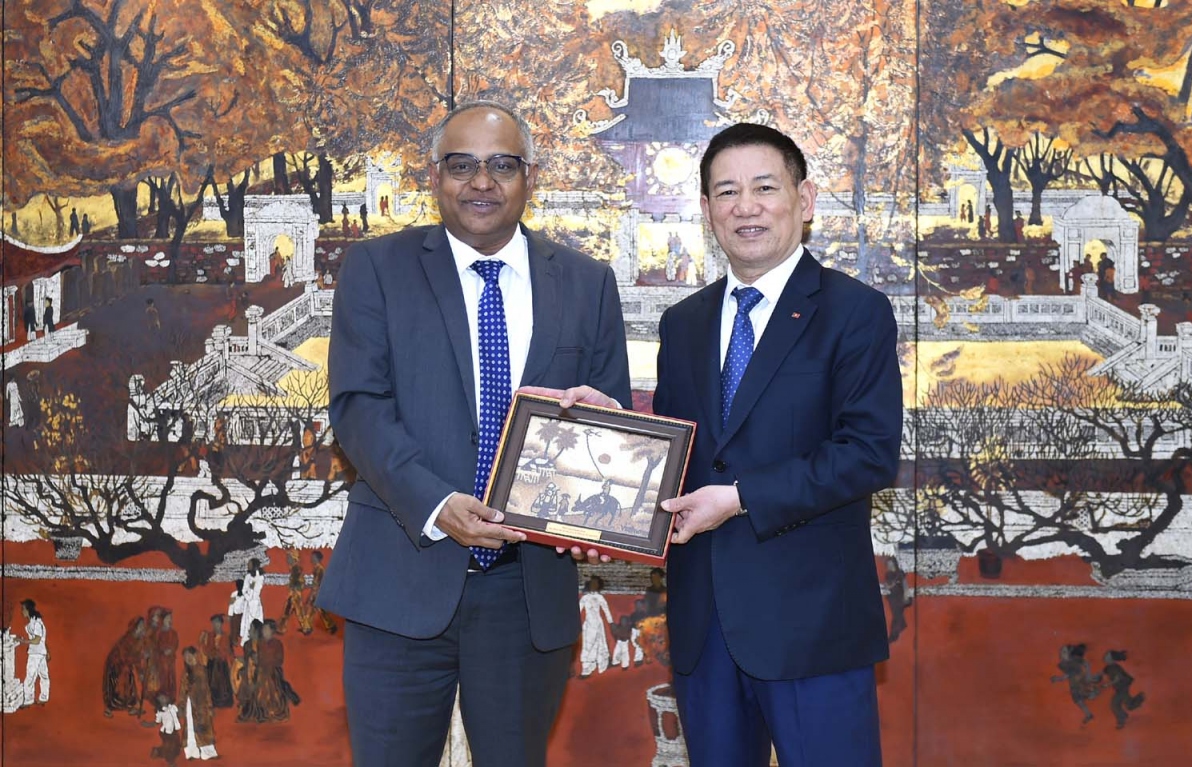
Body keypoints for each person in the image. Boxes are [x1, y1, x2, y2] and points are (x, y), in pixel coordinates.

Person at [316, 100, 631, 767]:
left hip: (526, 594)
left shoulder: (586, 283)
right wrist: (436, 505)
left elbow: (610, 418)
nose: (481, 182)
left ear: (530, 176)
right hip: (399, 578)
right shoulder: (378, 269)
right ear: (434, 177)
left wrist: (599, 506)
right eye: (462, 165)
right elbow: (358, 405)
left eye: (501, 165)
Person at [651, 123, 902, 766]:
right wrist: (602, 432)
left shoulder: (855, 312)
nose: (746, 206)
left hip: (811, 625)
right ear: (707, 211)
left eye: (765, 187)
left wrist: (740, 498)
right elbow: (676, 456)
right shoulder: (684, 324)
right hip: (705, 628)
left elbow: (868, 451)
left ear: (805, 199)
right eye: (726, 191)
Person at [17, 599, 50, 707]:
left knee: (30, 676)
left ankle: (28, 700)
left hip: (36, 653)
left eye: (23, 609)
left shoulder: (36, 622)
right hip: (40, 652)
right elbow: (42, 640)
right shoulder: (34, 622)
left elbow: (37, 640)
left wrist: (23, 641)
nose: (22, 611)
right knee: (43, 676)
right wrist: (47, 651)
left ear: (28, 610)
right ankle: (44, 697)